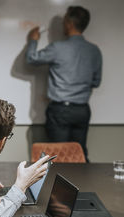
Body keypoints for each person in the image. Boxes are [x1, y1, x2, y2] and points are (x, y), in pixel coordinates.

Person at [26, 6, 102, 162]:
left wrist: (33, 40)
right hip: (82, 110)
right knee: (80, 155)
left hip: (60, 110)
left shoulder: (58, 48)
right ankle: (83, 185)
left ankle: (59, 187)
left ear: (69, 23)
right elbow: (96, 81)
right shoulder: (94, 51)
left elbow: (31, 59)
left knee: (58, 156)